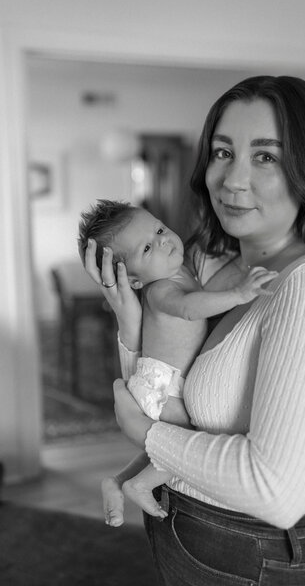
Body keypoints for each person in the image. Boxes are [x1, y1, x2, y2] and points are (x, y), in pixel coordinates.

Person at [84, 76, 305, 585]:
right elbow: (164, 371)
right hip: (191, 530)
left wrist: (145, 434)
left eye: (266, 157)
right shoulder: (219, 267)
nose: (232, 179)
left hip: (256, 555)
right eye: (223, 151)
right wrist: (127, 318)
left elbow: (277, 491)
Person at [78, 200, 276, 526]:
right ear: (135, 281)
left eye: (158, 229)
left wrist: (244, 266)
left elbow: (210, 284)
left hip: (161, 380)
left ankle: (118, 481)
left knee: (160, 448)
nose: (163, 240)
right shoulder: (160, 291)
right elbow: (190, 308)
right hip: (162, 385)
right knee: (184, 441)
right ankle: (140, 484)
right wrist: (239, 295)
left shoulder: (179, 269)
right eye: (147, 248)